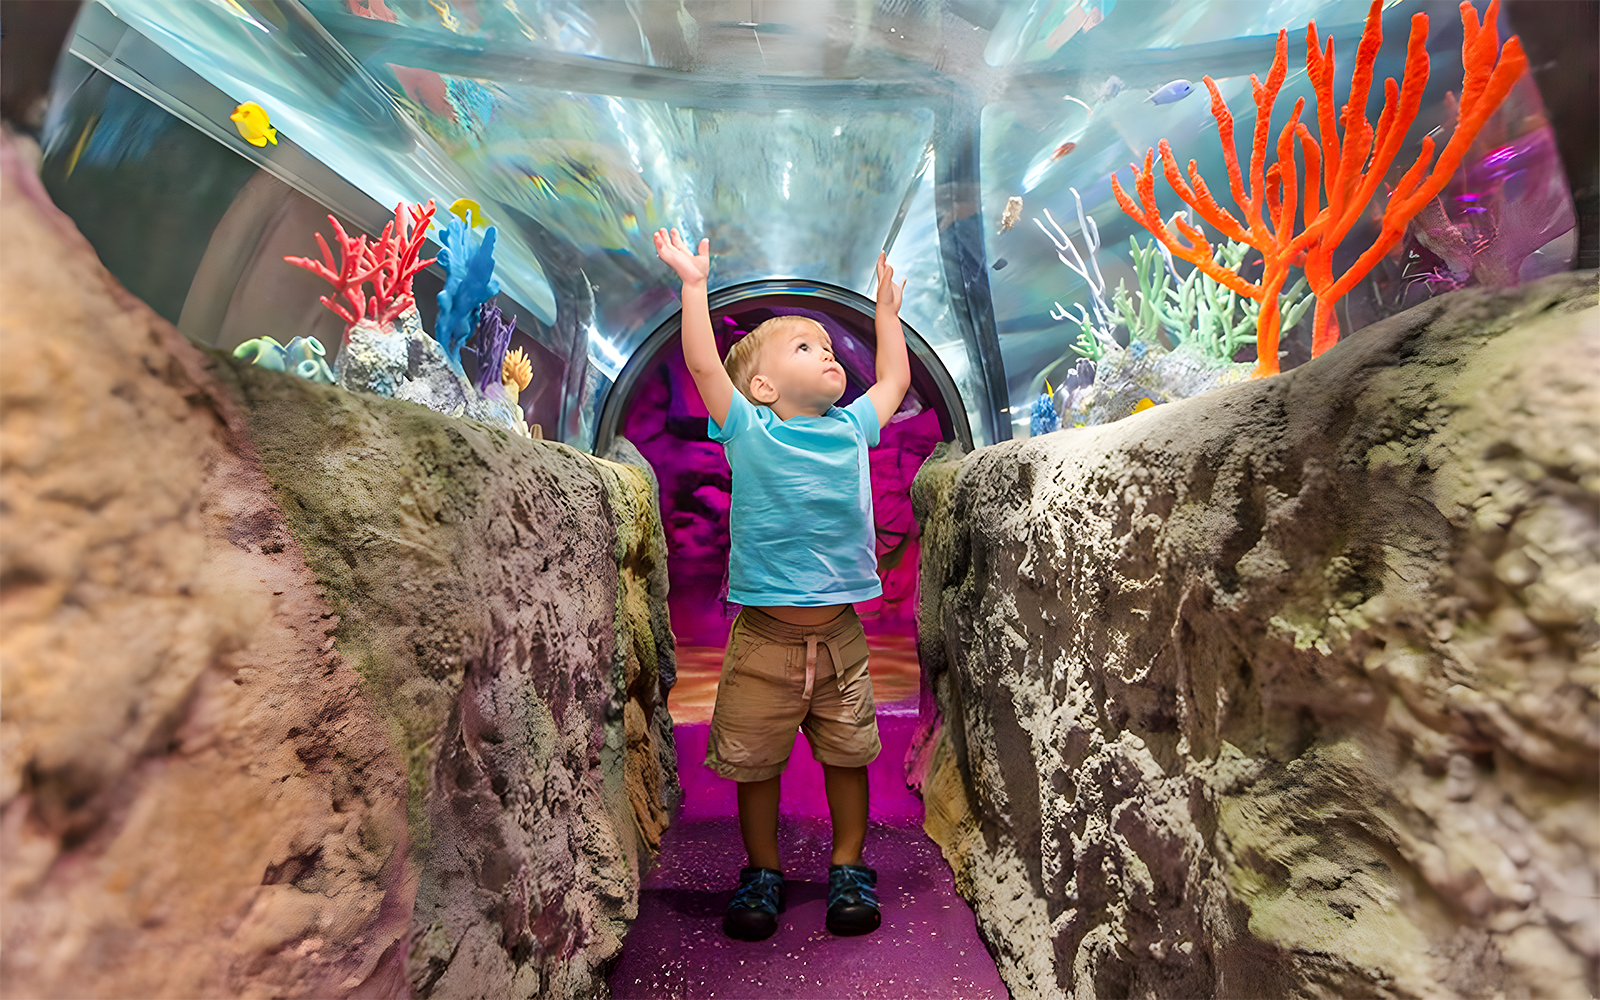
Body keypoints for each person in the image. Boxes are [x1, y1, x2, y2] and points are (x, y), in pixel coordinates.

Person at [653, 227, 910, 942]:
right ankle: (761, 871)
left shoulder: (854, 426)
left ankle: (849, 865)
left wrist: (885, 317)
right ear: (761, 387)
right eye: (806, 347)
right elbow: (706, 365)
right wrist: (695, 288)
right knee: (754, 762)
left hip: (841, 640)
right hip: (763, 640)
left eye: (829, 347)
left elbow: (893, 382)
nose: (827, 354)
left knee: (848, 756)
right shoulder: (750, 429)